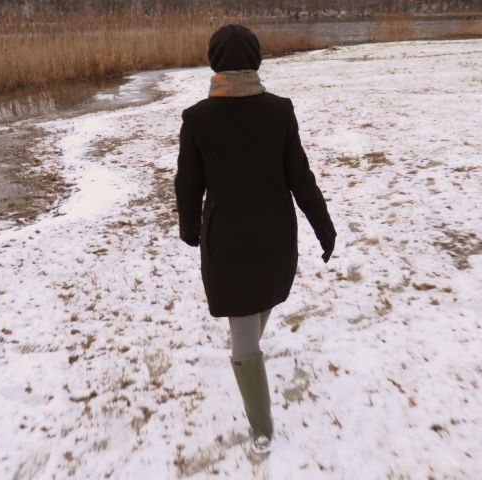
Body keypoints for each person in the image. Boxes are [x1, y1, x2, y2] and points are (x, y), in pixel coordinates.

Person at [174, 24, 336, 454]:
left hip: (227, 243)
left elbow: (186, 186)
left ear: (214, 62)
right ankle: (261, 420)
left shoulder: (197, 118)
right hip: (274, 236)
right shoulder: (279, 110)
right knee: (251, 321)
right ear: (257, 59)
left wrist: (189, 228)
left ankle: (261, 432)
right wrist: (323, 225)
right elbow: (300, 179)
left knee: (243, 338)